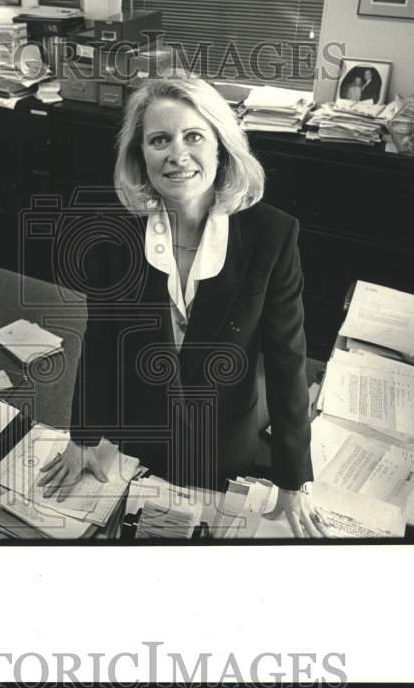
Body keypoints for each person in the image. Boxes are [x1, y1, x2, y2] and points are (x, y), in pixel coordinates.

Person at [38, 77, 326, 537]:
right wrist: (83, 438)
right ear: (140, 156)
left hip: (225, 439)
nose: (178, 154)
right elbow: (101, 343)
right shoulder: (113, 236)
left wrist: (293, 477)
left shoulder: (272, 235)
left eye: (194, 136)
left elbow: (287, 361)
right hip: (139, 434)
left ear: (221, 146)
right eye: (159, 140)